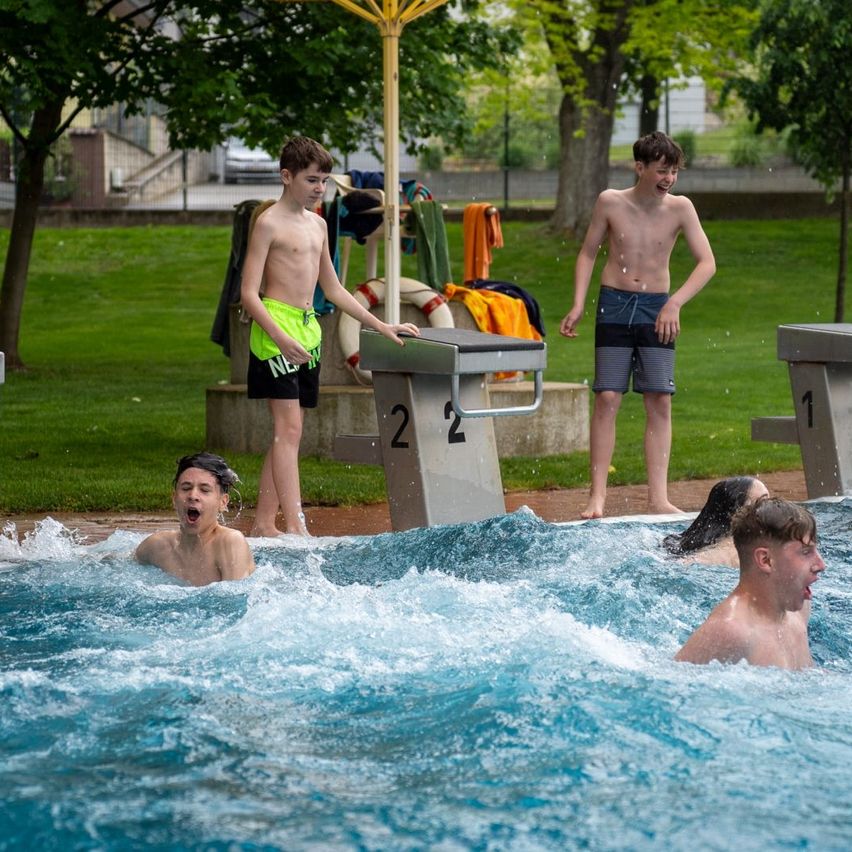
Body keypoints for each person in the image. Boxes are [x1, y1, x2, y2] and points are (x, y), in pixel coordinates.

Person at [240, 136, 420, 537]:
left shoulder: (319, 224)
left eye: (324, 180)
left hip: (308, 330)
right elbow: (249, 294)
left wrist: (382, 324)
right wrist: (279, 337)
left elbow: (334, 289)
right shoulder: (268, 223)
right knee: (289, 432)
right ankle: (298, 526)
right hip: (276, 333)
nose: (320, 188)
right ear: (286, 177)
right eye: (311, 180)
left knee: (288, 433)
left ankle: (264, 523)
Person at [560, 131, 716, 519]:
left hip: (656, 308)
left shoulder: (680, 208)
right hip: (614, 304)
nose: (669, 179)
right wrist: (579, 303)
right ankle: (596, 498)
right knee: (607, 398)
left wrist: (674, 303)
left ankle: (657, 498)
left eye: (675, 172)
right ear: (640, 167)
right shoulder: (610, 202)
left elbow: (707, 263)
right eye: (663, 171)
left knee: (659, 400)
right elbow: (588, 252)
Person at [674, 497, 825, 670]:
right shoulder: (729, 630)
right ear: (766, 560)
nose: (821, 565)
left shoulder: (799, 609)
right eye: (806, 552)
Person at [135, 452, 255, 586]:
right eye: (186, 488)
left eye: (204, 490)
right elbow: (118, 566)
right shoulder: (157, 546)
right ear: (174, 498)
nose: (193, 495)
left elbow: (235, 601)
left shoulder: (229, 542)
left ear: (223, 502)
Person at [663, 476, 769, 566]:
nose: (772, 507)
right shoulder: (738, 551)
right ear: (736, 513)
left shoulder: (701, 544)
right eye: (763, 502)